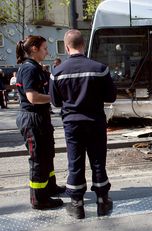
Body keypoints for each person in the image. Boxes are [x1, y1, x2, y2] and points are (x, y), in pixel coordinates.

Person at [50, 29, 117, 219]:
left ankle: (77, 205)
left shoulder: (57, 72)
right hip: (95, 122)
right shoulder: (100, 68)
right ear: (83, 45)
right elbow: (111, 96)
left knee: (75, 162)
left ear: (66, 47)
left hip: (72, 124)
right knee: (98, 162)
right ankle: (103, 202)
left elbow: (55, 102)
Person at [15, 35, 65, 210]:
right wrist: (55, 98)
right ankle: (39, 199)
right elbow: (32, 97)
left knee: (47, 154)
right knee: (38, 159)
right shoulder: (29, 69)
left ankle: (50, 186)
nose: (47, 51)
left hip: (40, 118)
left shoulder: (35, 67)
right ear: (34, 49)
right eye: (44, 48)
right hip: (32, 118)